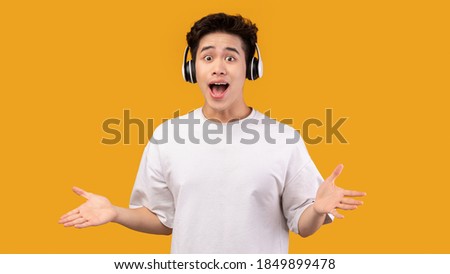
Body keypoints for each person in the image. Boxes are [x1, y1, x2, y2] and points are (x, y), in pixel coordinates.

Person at [59, 13, 366, 253]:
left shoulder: (285, 141)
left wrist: (315, 209)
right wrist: (115, 212)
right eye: (208, 57)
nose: (218, 67)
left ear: (250, 68)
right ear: (193, 71)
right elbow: (163, 220)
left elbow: (304, 224)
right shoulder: (166, 138)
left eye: (230, 57)